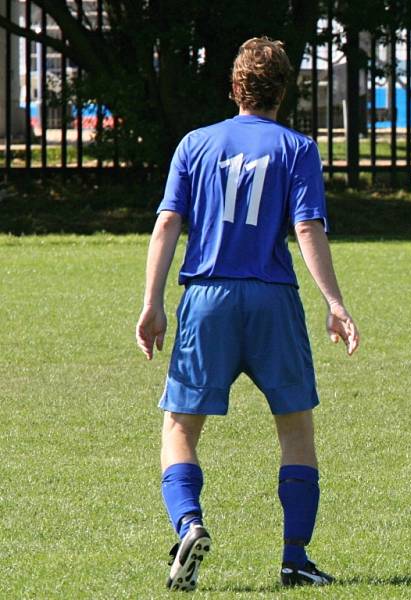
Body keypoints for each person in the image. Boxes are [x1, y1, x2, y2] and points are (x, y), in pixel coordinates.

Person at [135, 36, 359, 591]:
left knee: (180, 426)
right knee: (296, 428)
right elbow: (307, 227)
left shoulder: (195, 144)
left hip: (206, 298)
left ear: (235, 87)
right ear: (284, 92)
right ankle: (295, 559)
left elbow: (167, 224)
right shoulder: (298, 148)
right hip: (272, 299)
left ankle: (188, 524)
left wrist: (152, 303)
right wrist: (334, 302)